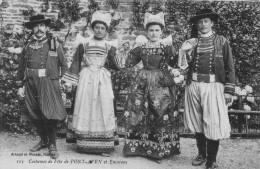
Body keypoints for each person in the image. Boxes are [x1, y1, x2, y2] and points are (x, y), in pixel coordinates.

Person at [180, 9, 235, 169]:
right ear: (197, 24)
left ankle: (211, 160)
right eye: (200, 21)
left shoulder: (222, 41)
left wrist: (228, 90)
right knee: (197, 121)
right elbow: (183, 65)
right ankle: (201, 154)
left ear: (212, 23)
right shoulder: (191, 42)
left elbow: (230, 67)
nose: (203, 24)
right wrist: (184, 54)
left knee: (212, 122)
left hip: (213, 86)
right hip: (194, 85)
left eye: (206, 21)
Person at [122, 12, 181, 162]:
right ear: (147, 32)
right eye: (151, 30)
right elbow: (129, 63)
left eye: (157, 30)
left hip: (160, 83)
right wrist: (129, 55)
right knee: (140, 110)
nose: (154, 33)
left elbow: (174, 64)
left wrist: (174, 55)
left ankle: (157, 149)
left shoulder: (165, 46)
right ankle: (139, 147)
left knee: (159, 111)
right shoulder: (142, 47)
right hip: (142, 80)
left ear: (161, 31)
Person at [61, 10, 120, 154]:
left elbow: (116, 66)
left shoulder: (109, 46)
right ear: (92, 28)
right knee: (85, 105)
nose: (99, 30)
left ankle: (104, 143)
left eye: (102, 28)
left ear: (106, 30)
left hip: (102, 79)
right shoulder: (84, 43)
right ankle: (84, 143)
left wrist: (118, 56)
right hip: (86, 78)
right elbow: (75, 62)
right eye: (97, 27)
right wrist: (70, 81)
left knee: (104, 105)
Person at [16, 14, 68, 159]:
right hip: (31, 83)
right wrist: (20, 85)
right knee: (35, 113)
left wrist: (64, 82)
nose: (39, 29)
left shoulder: (53, 43)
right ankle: (44, 140)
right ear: (32, 28)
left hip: (48, 82)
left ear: (46, 28)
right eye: (36, 26)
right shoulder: (28, 44)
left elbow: (64, 64)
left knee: (50, 114)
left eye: (42, 26)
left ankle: (52, 144)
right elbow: (21, 66)